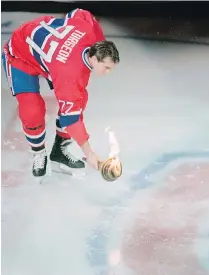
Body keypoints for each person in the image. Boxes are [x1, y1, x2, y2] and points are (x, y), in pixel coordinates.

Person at [2, 8, 120, 179]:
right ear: (94, 59)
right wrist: (90, 153)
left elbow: (80, 13)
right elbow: (70, 119)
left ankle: (59, 150)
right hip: (20, 56)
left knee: (79, 98)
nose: (108, 72)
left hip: (43, 48)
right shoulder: (69, 76)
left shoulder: (90, 32)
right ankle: (38, 152)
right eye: (107, 67)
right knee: (31, 109)